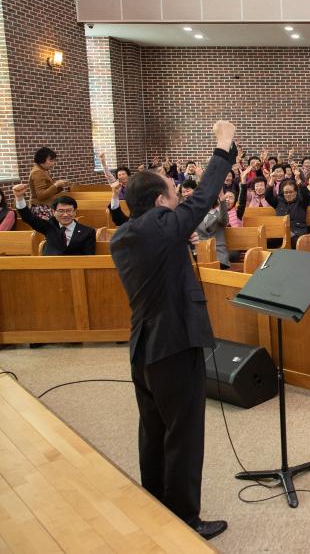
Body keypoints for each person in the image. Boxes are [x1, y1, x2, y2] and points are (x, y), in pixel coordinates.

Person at [108, 120, 235, 540]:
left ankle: (155, 503)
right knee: (183, 432)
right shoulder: (162, 228)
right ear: (160, 201)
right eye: (172, 188)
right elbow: (202, 201)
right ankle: (184, 518)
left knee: (154, 428)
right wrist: (222, 146)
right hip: (174, 346)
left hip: (144, 349)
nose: (178, 191)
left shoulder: (125, 235)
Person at [10, 187, 96, 255]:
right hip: (50, 269)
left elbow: (88, 257)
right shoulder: (49, 227)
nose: (65, 215)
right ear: (54, 212)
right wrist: (19, 198)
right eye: (61, 211)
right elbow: (28, 218)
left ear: (75, 212)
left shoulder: (88, 232)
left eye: (69, 211)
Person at [28, 147, 69, 220]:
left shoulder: (43, 170)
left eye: (54, 160)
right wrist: (56, 185)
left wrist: (60, 186)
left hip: (46, 205)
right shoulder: (37, 172)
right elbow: (41, 195)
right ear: (42, 160)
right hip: (41, 208)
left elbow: (50, 190)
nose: (53, 163)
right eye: (51, 160)